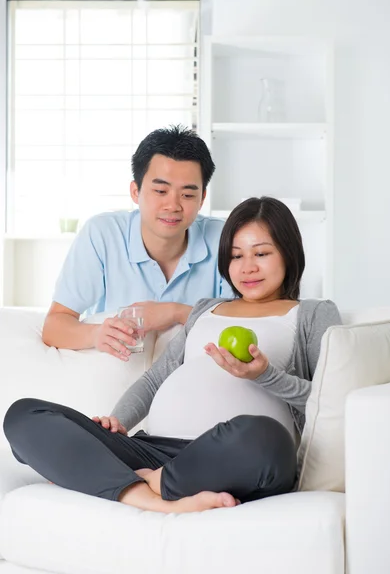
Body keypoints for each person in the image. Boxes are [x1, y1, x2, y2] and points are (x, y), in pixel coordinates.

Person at [4, 196, 342, 514]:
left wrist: (264, 376)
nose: (247, 267)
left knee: (267, 440)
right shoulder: (206, 309)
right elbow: (154, 380)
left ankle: (130, 479)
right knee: (24, 415)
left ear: (288, 253)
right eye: (237, 256)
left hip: (229, 456)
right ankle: (154, 496)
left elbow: (330, 401)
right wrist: (117, 423)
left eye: (261, 254)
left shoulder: (312, 313)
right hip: (152, 451)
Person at [42, 125, 233, 360]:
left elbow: (245, 320)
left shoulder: (224, 238)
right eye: (161, 191)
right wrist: (96, 334)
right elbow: (54, 326)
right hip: (114, 374)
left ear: (202, 198)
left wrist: (174, 312)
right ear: (135, 191)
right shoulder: (102, 234)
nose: (172, 205)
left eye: (187, 194)